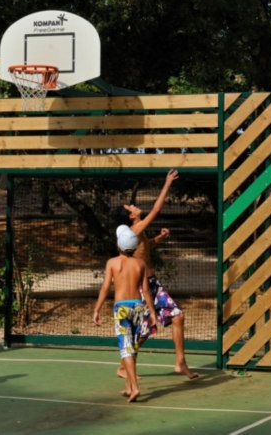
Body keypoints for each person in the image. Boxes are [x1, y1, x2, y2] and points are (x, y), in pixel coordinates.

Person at [120, 169, 199, 380]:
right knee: (145, 329)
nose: (135, 206)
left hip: (153, 283)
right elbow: (157, 208)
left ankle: (180, 363)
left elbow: (144, 249)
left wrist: (159, 238)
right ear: (131, 216)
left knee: (178, 316)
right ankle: (123, 366)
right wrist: (167, 183)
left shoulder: (138, 234)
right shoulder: (135, 229)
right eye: (132, 207)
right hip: (142, 286)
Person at [93, 224, 157, 402]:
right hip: (138, 306)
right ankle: (129, 386)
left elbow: (105, 287)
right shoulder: (140, 263)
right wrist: (152, 313)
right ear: (134, 247)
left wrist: (97, 309)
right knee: (133, 347)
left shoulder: (112, 263)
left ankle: (134, 388)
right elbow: (146, 291)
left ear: (119, 245)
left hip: (121, 308)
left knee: (126, 349)